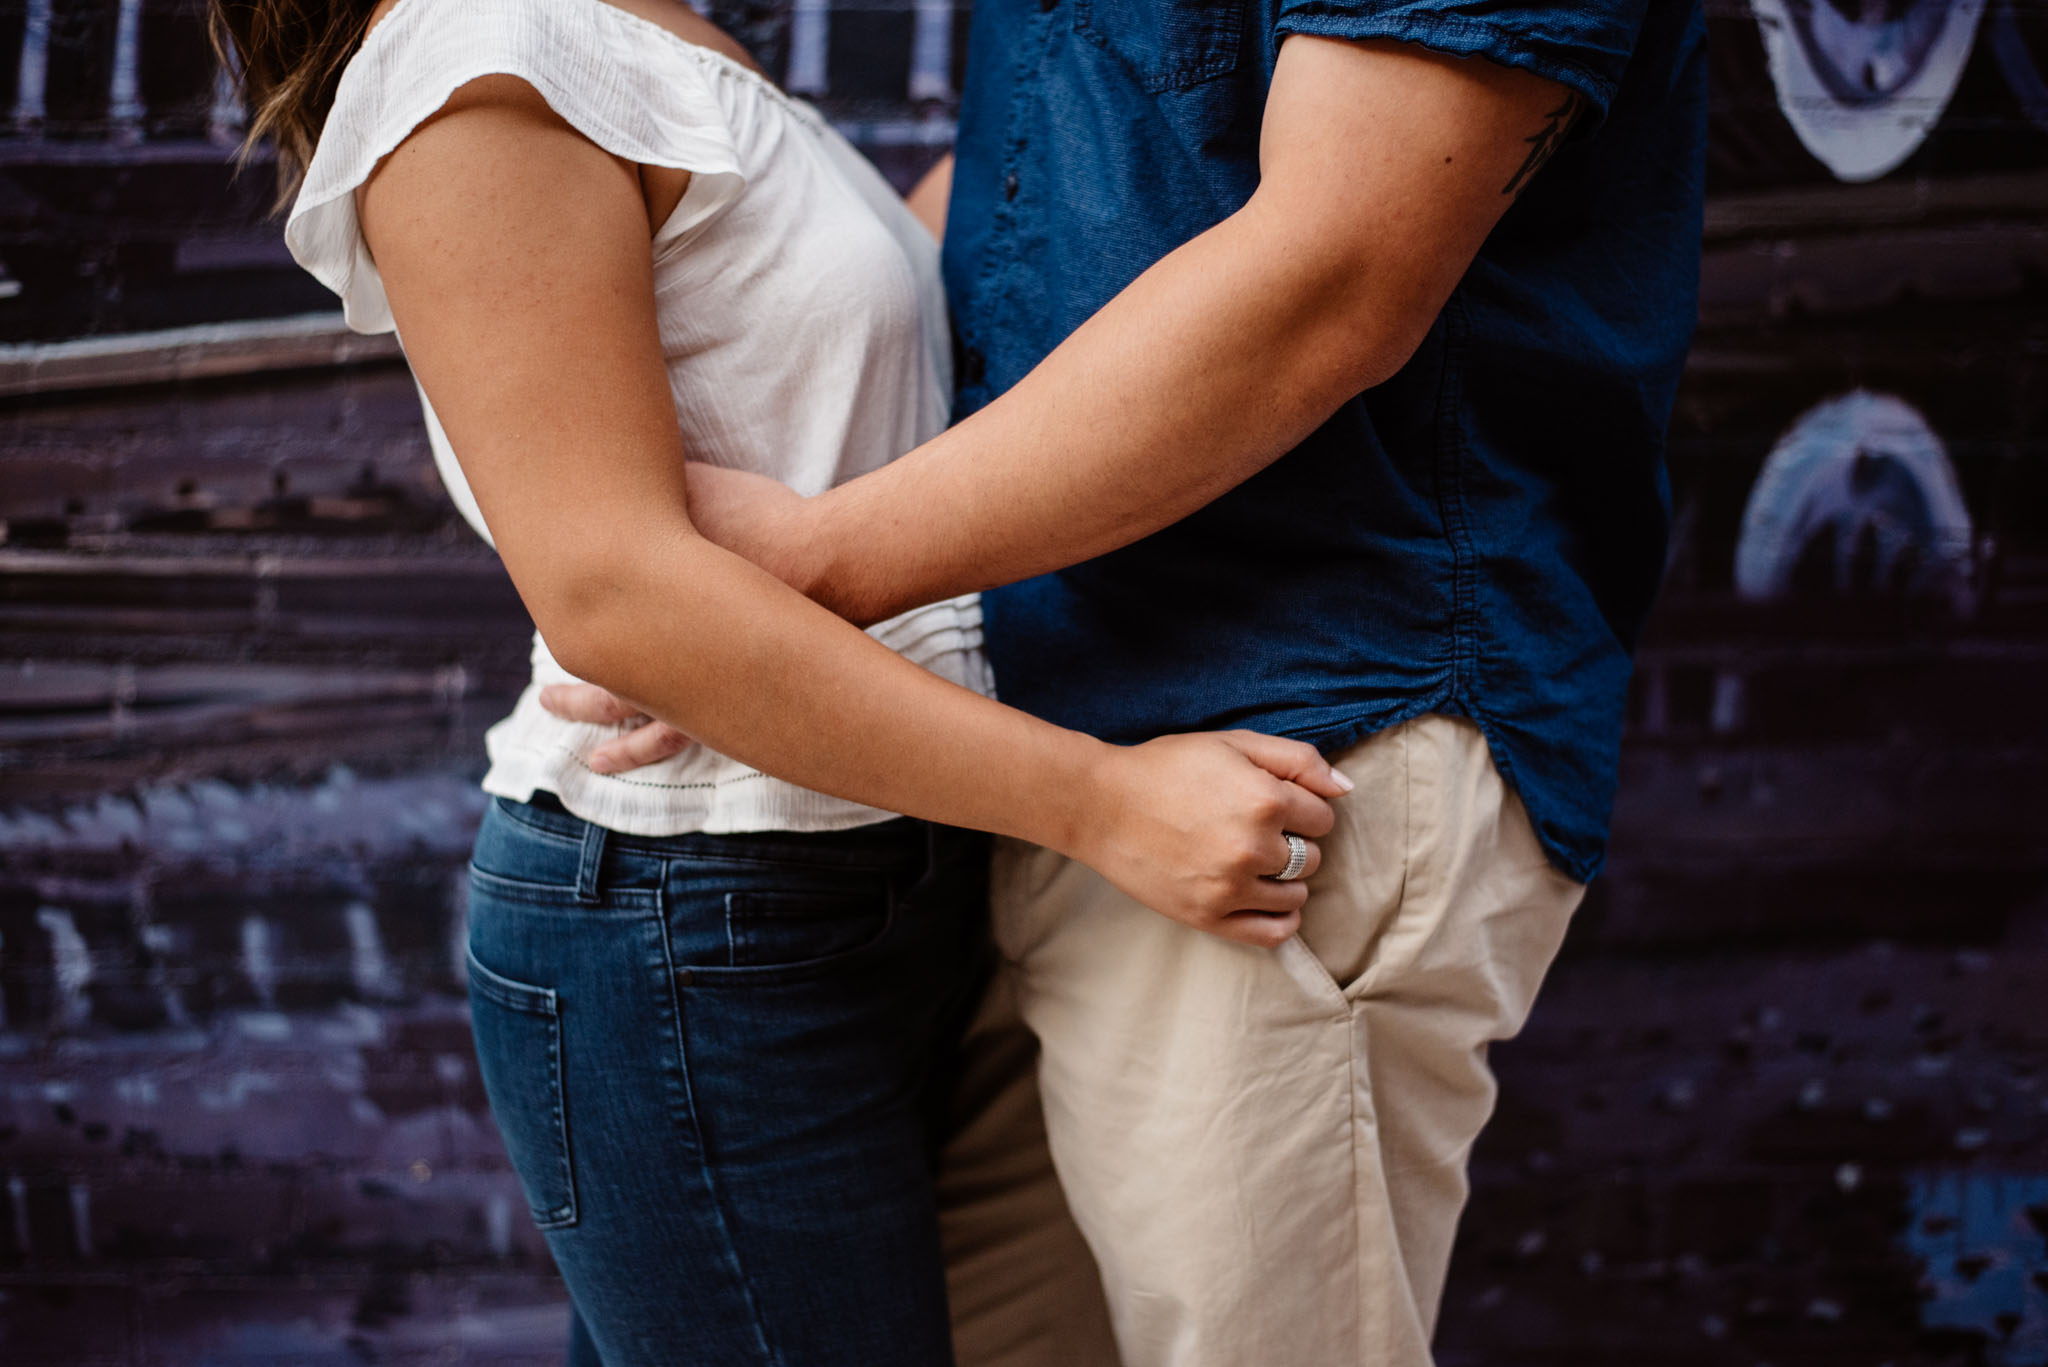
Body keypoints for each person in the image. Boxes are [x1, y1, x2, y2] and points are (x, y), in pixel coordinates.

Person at [550, 1, 1710, 1363]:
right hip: (1051, 740)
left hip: (1292, 758)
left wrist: (807, 573)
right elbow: (1054, 179)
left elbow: (1336, 270)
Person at [211, 0, 1352, 1362]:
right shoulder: (480, 60)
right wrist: (1104, 804)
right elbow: (614, 594)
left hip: (857, 872)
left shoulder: (624, 27)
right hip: (695, 915)